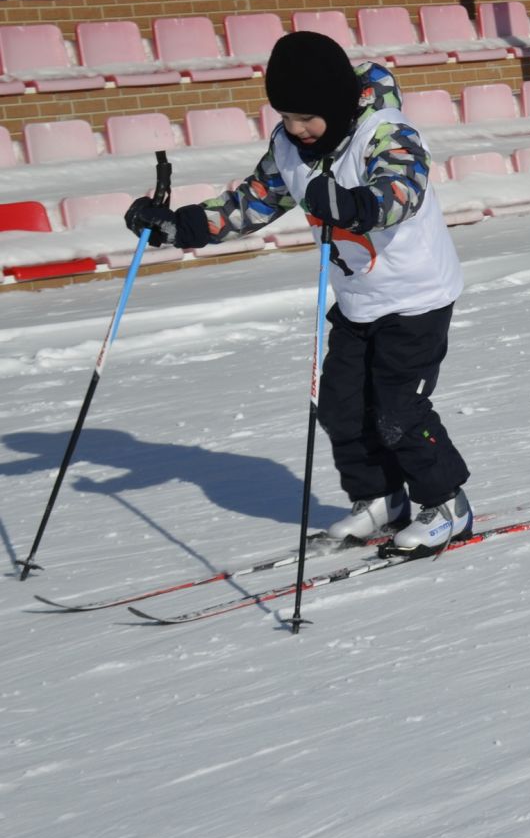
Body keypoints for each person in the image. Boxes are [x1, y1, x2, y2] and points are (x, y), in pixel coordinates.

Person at [123, 31, 472, 553]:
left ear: (334, 103)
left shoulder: (386, 132)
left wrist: (357, 206)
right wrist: (181, 226)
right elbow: (253, 199)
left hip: (416, 297)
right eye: (286, 116)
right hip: (359, 300)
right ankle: (380, 499)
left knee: (398, 410)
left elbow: (401, 188)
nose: (296, 129)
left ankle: (447, 504)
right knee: (340, 405)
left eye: (307, 117)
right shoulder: (290, 147)